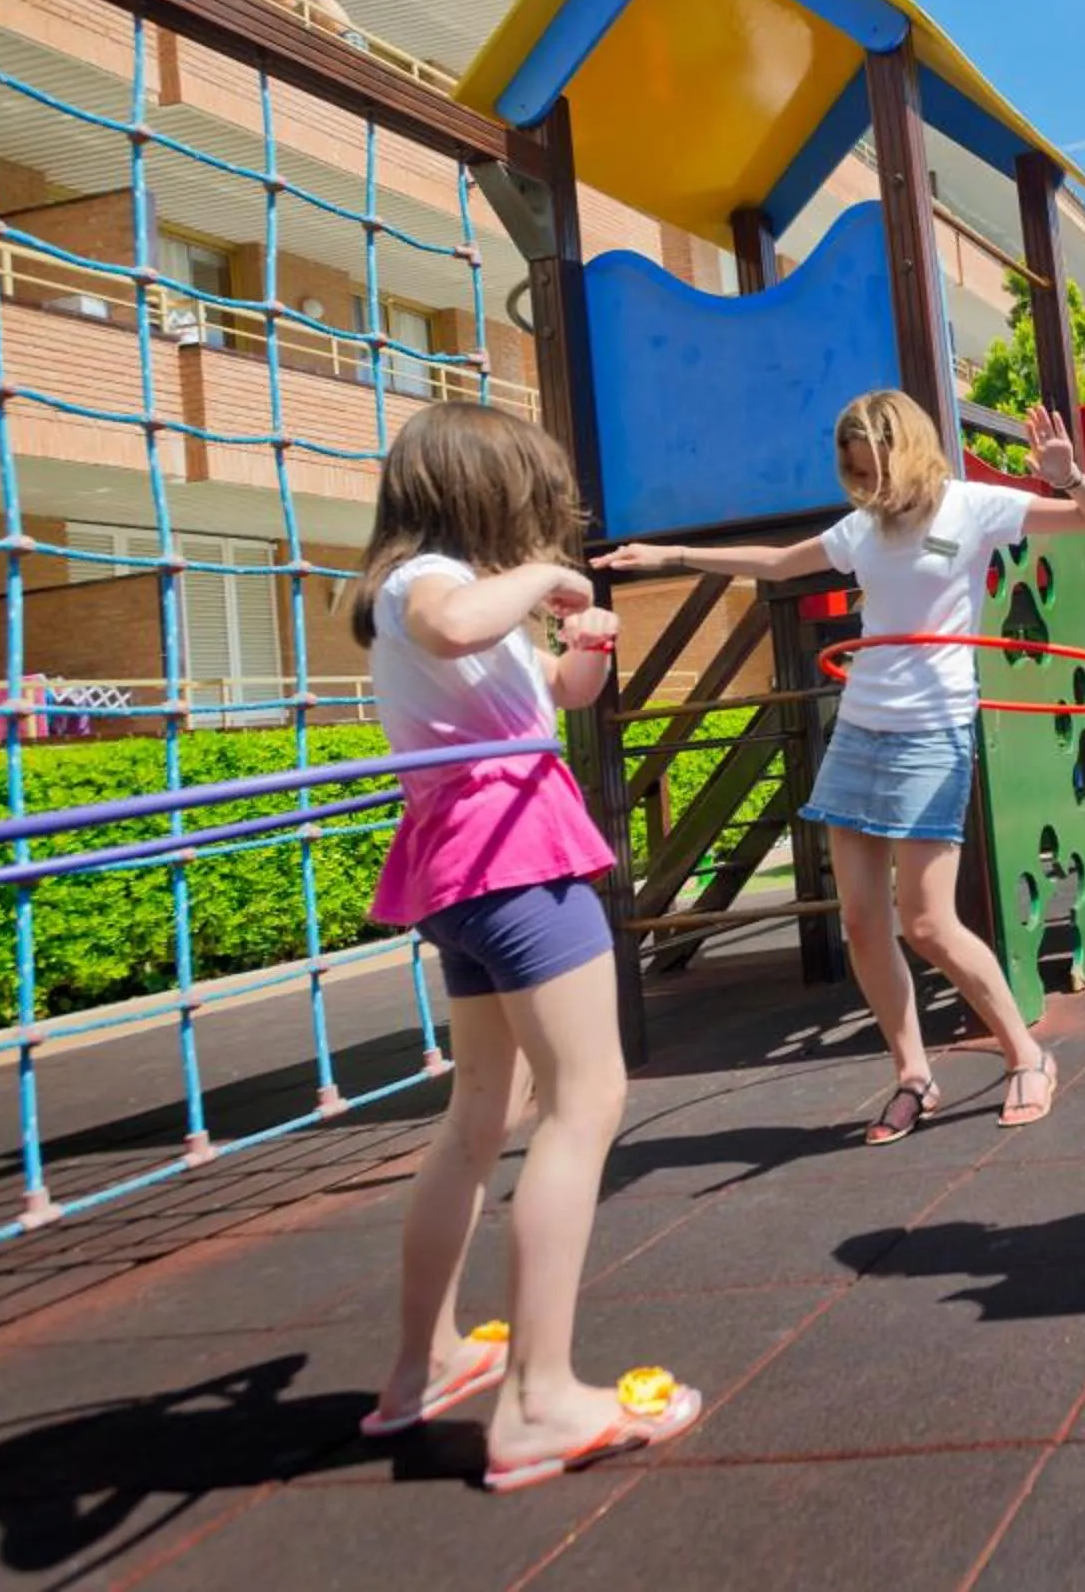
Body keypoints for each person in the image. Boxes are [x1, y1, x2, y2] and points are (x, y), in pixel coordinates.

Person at [603, 392, 1085, 1144]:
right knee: (860, 922)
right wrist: (671, 555)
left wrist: (1066, 478)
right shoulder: (863, 528)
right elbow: (779, 562)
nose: (857, 481)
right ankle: (913, 1075)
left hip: (932, 729)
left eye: (866, 466)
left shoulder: (970, 508)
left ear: (900, 450)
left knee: (930, 922)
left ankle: (1027, 1054)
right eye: (849, 469)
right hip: (862, 729)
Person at [345, 404, 700, 1492]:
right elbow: (454, 623)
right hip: (508, 849)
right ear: (483, 495)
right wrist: (548, 576)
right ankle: (540, 1398)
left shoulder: (451, 595)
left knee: (484, 1109)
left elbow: (548, 696)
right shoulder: (428, 581)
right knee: (585, 1096)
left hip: (465, 858)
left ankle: (426, 1362)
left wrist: (581, 648)